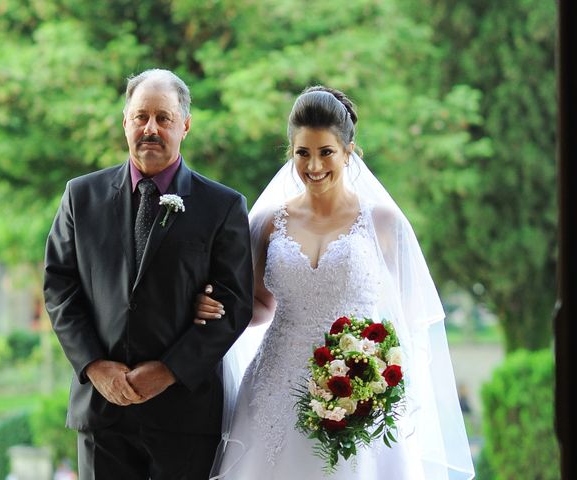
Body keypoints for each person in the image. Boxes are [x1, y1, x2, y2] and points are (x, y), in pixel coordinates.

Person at [195, 86, 476, 479]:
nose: (313, 166)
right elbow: (257, 305)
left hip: (356, 383)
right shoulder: (267, 223)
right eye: (302, 153)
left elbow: (406, 321)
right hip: (274, 385)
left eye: (326, 152)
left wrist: (376, 374)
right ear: (290, 153)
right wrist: (216, 305)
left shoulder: (383, 224)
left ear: (349, 151)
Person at [43, 68, 253, 480]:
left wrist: (169, 370)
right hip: (102, 413)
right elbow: (59, 286)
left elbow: (235, 303)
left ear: (185, 126)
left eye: (164, 118)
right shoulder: (79, 196)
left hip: (184, 416)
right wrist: (95, 366)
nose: (150, 129)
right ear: (125, 122)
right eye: (140, 117)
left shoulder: (223, 206)